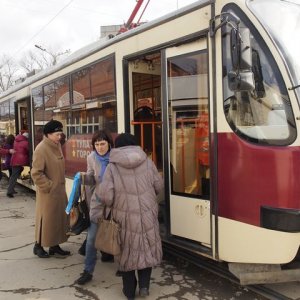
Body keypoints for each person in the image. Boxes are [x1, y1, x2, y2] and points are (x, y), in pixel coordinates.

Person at [96, 133, 163, 300]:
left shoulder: (113, 166)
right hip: (147, 213)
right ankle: (145, 287)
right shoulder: (147, 162)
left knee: (126, 251)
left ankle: (129, 291)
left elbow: (107, 196)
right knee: (146, 248)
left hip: (123, 216)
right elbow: (158, 185)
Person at [75, 129, 114, 285]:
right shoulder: (91, 157)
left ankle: (124, 267)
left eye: (102, 144)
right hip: (97, 202)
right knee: (91, 239)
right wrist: (85, 178)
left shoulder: (116, 157)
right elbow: (92, 178)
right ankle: (88, 271)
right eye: (96, 144)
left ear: (109, 144)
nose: (100, 147)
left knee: (119, 235)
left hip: (115, 202)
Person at [31, 120, 70, 258]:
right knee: (46, 220)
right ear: (48, 134)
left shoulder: (56, 145)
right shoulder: (41, 149)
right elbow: (36, 173)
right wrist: (49, 186)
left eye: (60, 134)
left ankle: (54, 245)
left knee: (57, 220)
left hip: (59, 191)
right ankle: (38, 246)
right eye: (57, 134)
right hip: (48, 193)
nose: (60, 137)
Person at [7, 132, 29, 198]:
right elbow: (29, 150)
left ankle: (11, 190)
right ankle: (9, 192)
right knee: (14, 176)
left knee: (15, 174)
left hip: (14, 160)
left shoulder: (16, 141)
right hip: (19, 161)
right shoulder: (26, 142)